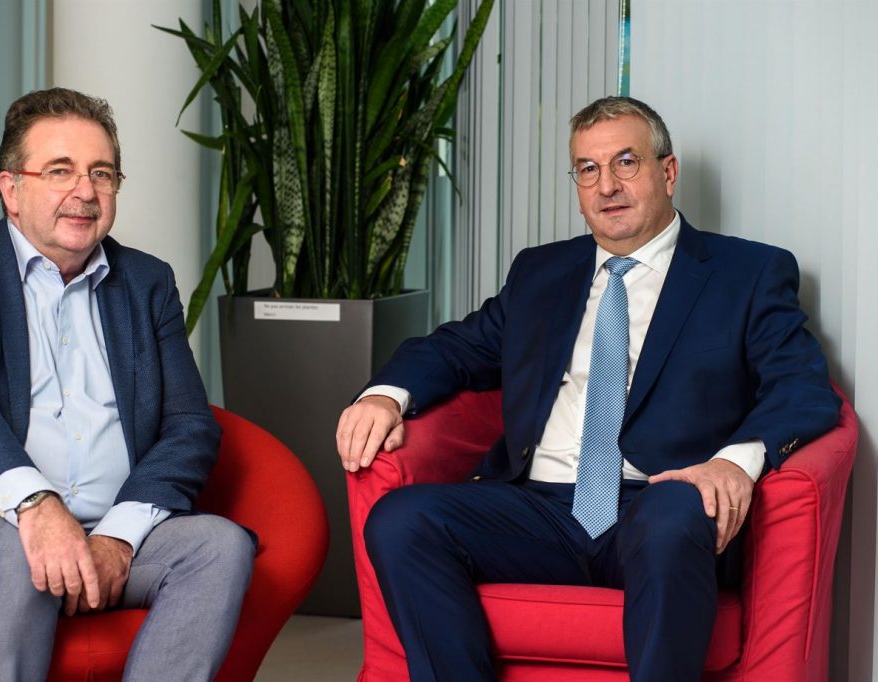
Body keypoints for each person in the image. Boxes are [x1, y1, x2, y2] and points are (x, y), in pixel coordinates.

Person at [335, 96, 841, 681]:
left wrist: (734, 463)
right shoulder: (540, 272)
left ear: (668, 172)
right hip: (538, 508)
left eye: (625, 162)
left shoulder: (746, 273)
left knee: (673, 514)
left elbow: (803, 385)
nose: (607, 186)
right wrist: (386, 394)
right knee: (401, 519)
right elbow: (456, 348)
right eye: (588, 169)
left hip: (661, 504)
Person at [0, 87, 254, 682]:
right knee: (21, 547)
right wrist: (38, 508)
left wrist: (118, 538)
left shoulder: (147, 281)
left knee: (219, 545)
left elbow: (189, 426)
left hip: (115, 525)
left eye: (101, 173)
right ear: (11, 189)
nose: (85, 191)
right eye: (59, 171)